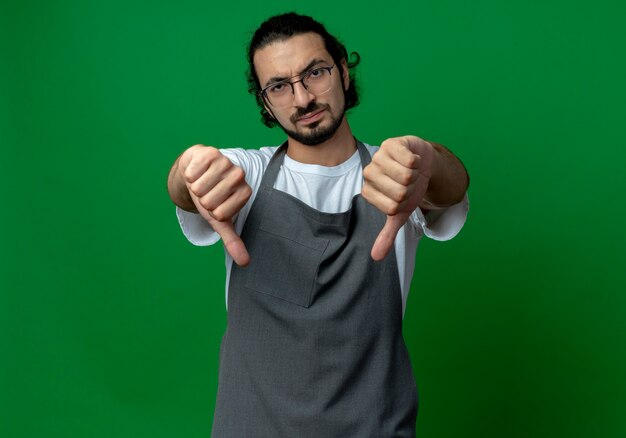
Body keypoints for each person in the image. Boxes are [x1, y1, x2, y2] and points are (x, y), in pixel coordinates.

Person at [167, 12, 469, 438]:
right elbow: (189, 181)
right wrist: (189, 169)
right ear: (266, 103)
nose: (302, 98)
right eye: (279, 86)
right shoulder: (245, 176)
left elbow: (450, 188)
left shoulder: (395, 174)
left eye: (315, 73)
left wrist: (431, 161)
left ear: (344, 72)